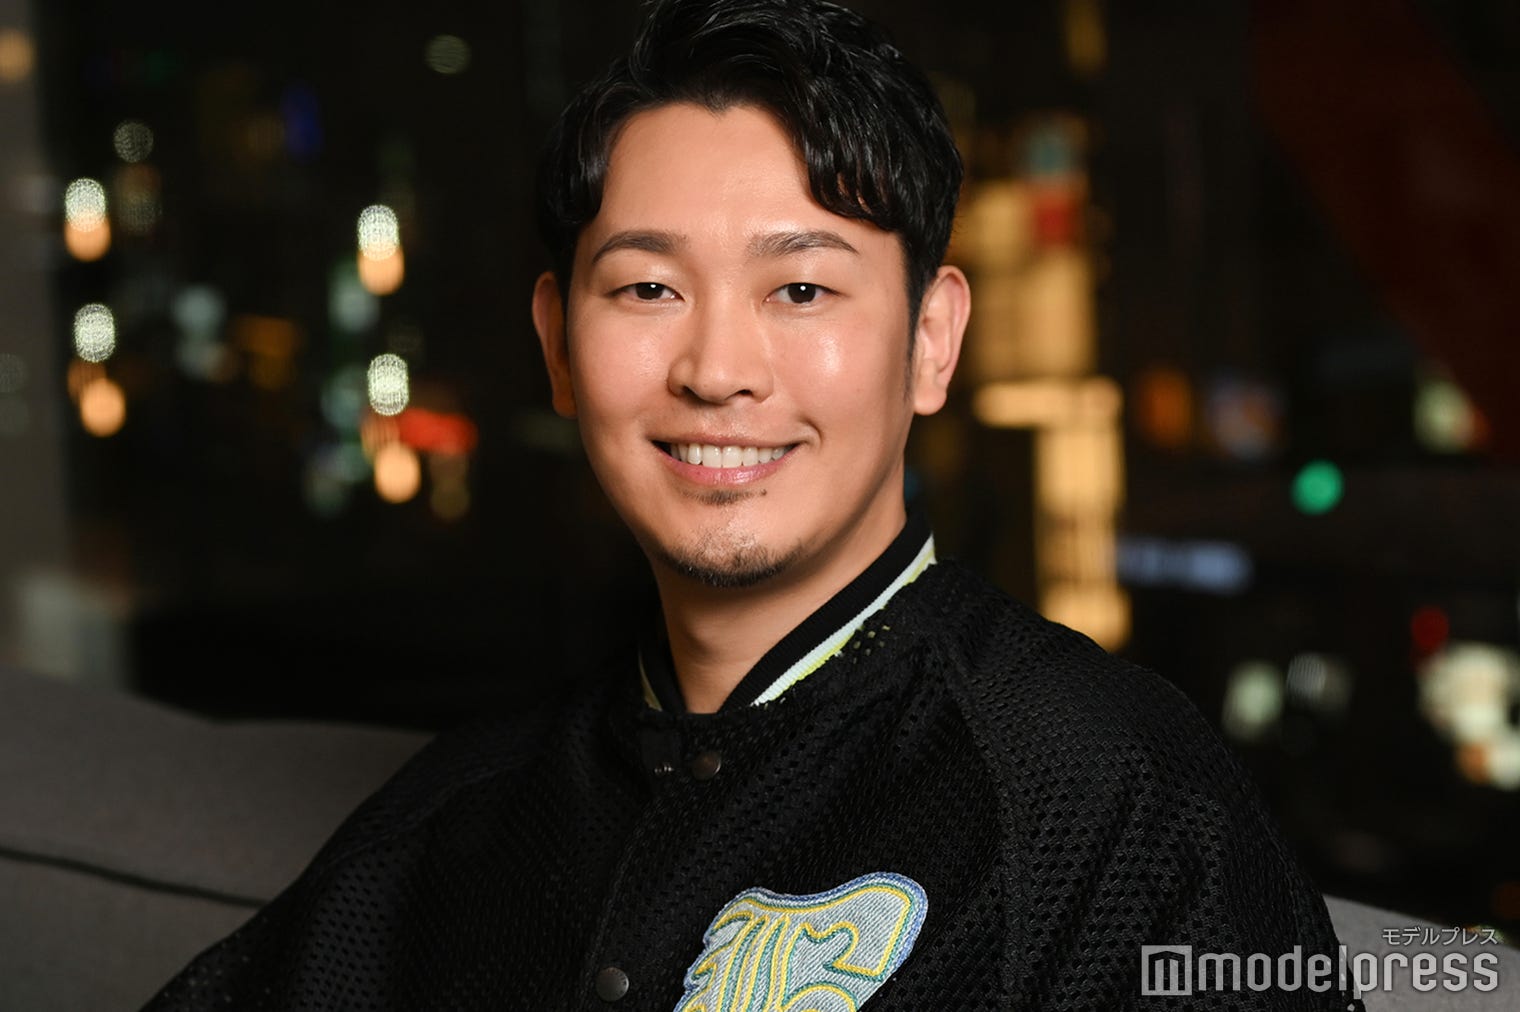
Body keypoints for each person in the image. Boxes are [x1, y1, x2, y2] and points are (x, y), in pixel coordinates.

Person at [147, 0, 1362, 1008]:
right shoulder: (446, 828)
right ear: (557, 346)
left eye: (798, 290)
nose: (717, 369)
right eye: (646, 288)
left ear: (931, 340)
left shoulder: (1104, 796)